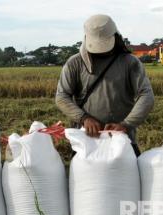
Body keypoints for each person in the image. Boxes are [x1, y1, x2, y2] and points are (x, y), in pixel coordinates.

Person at [55, 14, 154, 156]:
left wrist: (125, 125)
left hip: (122, 140)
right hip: (86, 141)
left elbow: (146, 95)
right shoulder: (75, 63)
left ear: (116, 37)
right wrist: (84, 118)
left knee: (126, 176)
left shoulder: (130, 62)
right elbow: (61, 96)